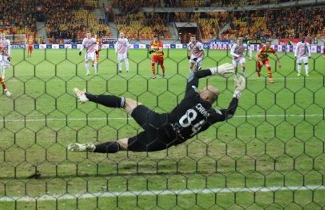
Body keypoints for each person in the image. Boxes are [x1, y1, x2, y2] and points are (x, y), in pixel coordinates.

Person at [67, 63, 243, 153]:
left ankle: (87, 96)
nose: (201, 90)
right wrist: (237, 92)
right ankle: (87, 147)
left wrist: (215, 70)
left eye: (203, 90)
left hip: (159, 123)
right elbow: (229, 114)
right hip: (164, 142)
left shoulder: (192, 98)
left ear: (204, 96)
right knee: (122, 145)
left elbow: (193, 74)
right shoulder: (212, 115)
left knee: (125, 102)